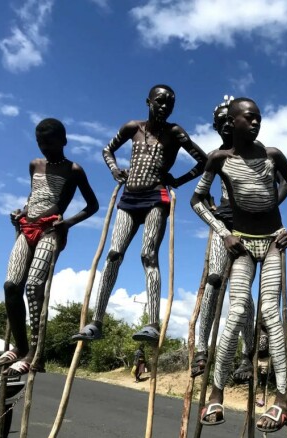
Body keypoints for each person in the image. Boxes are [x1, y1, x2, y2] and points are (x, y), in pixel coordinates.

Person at [190, 97, 287, 432]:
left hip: (272, 241)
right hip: (240, 243)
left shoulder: (272, 156)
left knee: (270, 311)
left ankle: (282, 400)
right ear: (233, 121)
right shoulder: (219, 160)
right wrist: (223, 232)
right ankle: (216, 392)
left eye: (258, 118)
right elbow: (197, 200)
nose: (254, 123)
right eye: (248, 118)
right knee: (237, 310)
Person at [73, 84, 207, 344]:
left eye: (170, 102)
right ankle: (96, 321)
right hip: (129, 198)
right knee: (113, 255)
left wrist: (178, 180)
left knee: (148, 255)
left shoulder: (175, 132)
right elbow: (107, 150)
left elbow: (203, 161)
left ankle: (153, 323)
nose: (165, 106)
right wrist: (115, 170)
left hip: (156, 197)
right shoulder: (132, 128)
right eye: (160, 101)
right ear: (148, 102)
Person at [0, 119, 99, 374]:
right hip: (27, 227)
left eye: (50, 143)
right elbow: (34, 197)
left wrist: (67, 224)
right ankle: (20, 347)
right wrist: (20, 212)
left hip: (50, 232)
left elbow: (92, 206)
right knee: (11, 286)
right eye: (41, 143)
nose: (45, 148)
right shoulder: (35, 165)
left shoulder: (73, 170)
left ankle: (36, 353)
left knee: (33, 287)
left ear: (63, 141)